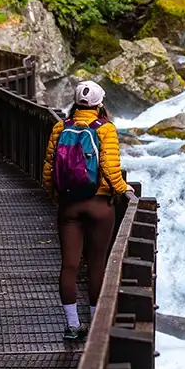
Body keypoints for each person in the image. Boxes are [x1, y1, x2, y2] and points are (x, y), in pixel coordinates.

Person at [43, 81, 135, 340]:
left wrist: (53, 194)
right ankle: (96, 324)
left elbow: (49, 166)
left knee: (69, 266)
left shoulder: (61, 127)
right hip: (99, 205)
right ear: (99, 103)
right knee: (97, 264)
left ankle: (73, 326)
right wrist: (121, 189)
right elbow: (109, 165)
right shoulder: (105, 128)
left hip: (69, 205)